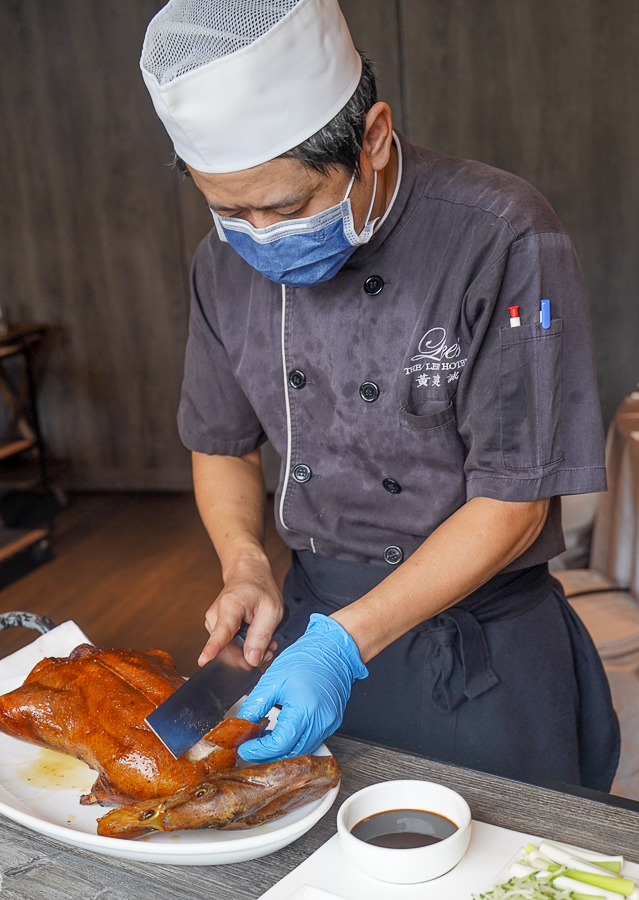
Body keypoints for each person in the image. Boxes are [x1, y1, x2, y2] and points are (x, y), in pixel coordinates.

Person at [139, 0, 619, 790]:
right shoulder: (218, 264)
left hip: (477, 647)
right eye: (230, 211)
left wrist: (343, 645)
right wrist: (246, 563)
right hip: (303, 636)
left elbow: (514, 503)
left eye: (287, 207)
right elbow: (220, 442)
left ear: (372, 138)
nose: (260, 236)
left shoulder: (502, 236)